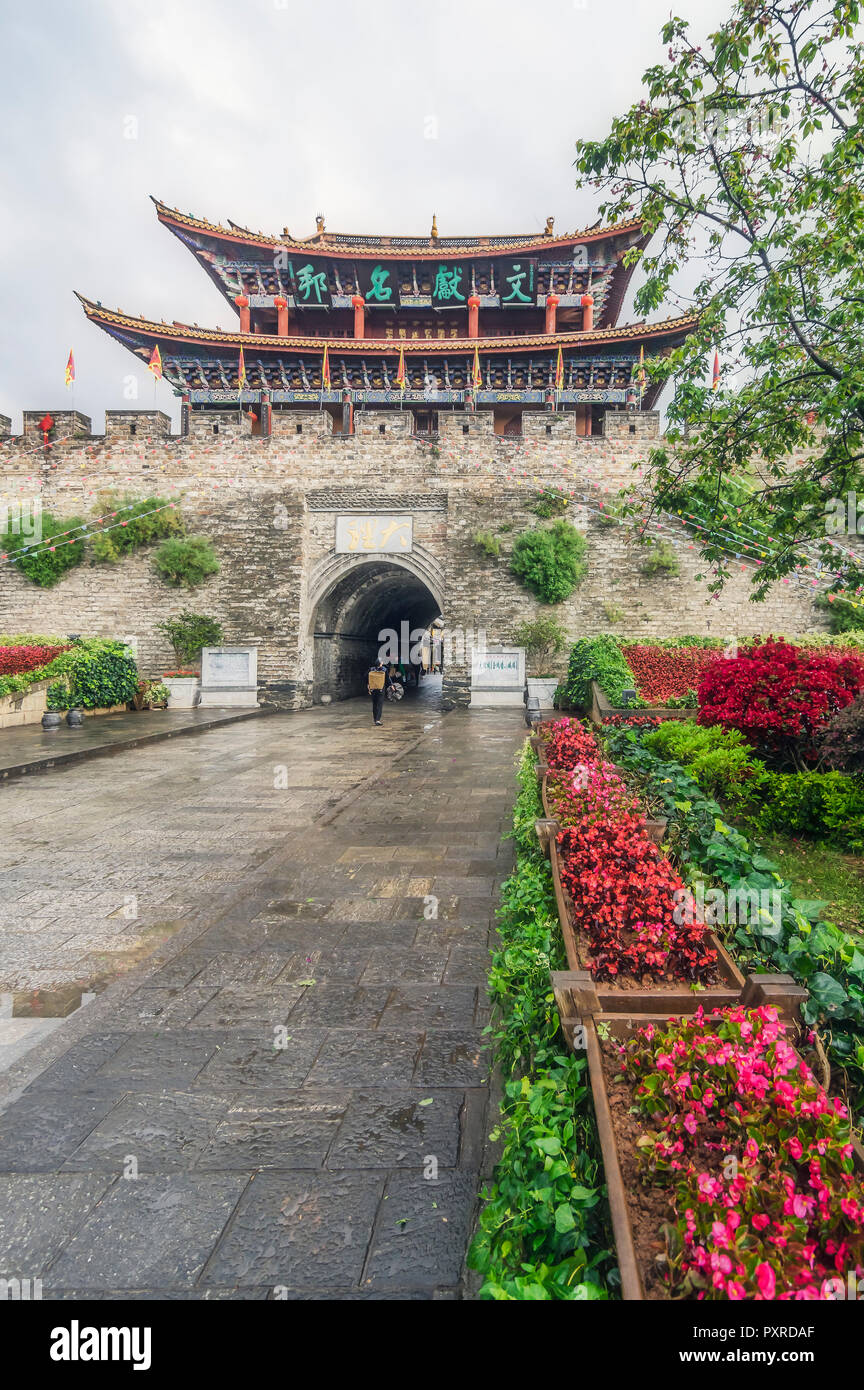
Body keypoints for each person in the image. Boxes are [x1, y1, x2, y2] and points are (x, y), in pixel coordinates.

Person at [367, 658, 388, 726]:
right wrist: (392, 685)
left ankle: (375, 719)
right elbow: (388, 678)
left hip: (373, 689)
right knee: (379, 704)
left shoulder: (371, 669)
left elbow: (365, 676)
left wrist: (368, 684)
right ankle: (377, 720)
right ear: (380, 663)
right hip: (381, 689)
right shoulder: (384, 669)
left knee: (374, 704)